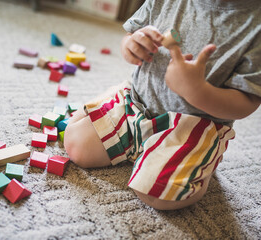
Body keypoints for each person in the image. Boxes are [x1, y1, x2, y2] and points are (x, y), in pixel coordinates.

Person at [64, 0, 261, 210]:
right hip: (137, 104)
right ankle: (121, 103)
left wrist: (198, 92)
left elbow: (248, 101)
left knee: (157, 194)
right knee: (77, 145)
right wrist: (131, 45)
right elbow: (130, 36)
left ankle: (205, 159)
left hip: (192, 128)